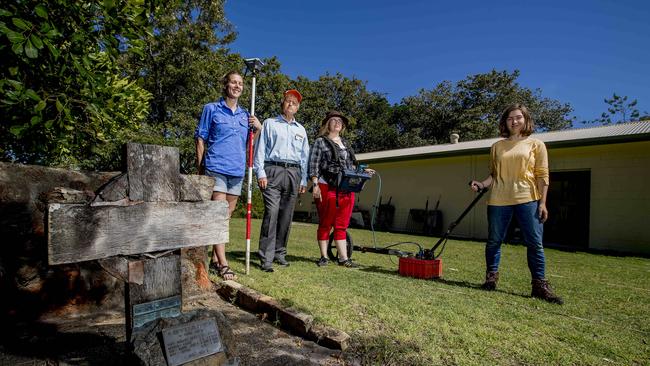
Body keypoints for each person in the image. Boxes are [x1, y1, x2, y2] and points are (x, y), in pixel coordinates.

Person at [470, 103, 563, 304]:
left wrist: (542, 202)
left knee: (535, 244)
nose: (514, 121)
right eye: (510, 118)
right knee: (494, 241)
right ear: (505, 122)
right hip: (498, 200)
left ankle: (539, 285)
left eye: (518, 117)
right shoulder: (497, 147)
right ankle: (491, 279)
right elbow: (494, 175)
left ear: (525, 120)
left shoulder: (536, 144)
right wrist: (481, 184)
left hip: (527, 199)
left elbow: (542, 175)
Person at [195, 71, 261, 280]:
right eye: (233, 82)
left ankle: (215, 258)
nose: (237, 86)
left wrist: (258, 128)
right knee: (218, 216)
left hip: (236, 170)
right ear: (226, 85)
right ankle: (223, 264)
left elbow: (250, 143)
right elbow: (200, 139)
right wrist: (200, 168)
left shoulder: (245, 116)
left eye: (240, 83)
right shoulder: (211, 109)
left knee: (225, 218)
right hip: (216, 167)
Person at [308, 111, 374, 268]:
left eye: (340, 121)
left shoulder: (346, 144)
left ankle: (343, 258)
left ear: (342, 126)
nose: (337, 122)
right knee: (326, 223)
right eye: (334, 120)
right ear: (327, 124)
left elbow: (350, 166)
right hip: (326, 186)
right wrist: (315, 184)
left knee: (341, 224)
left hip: (346, 188)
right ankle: (324, 257)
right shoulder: (320, 142)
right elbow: (314, 164)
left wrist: (363, 171)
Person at [253, 89, 310, 272]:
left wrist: (303, 180)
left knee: (286, 215)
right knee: (272, 213)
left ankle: (279, 252)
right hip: (273, 170)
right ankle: (266, 258)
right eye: (288, 101)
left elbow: (304, 157)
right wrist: (260, 173)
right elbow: (260, 150)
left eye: (294, 102)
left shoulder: (301, 130)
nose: (290, 104)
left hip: (294, 173)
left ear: (298, 108)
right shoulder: (270, 123)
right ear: (282, 104)